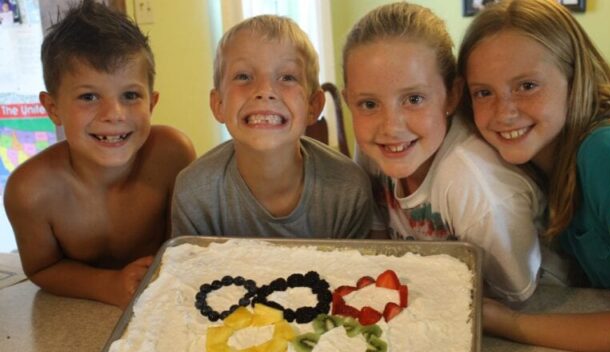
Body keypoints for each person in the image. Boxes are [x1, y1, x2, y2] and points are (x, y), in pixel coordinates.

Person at [341, 2, 557, 304]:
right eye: (368, 104)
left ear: (453, 95)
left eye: (414, 98)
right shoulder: (374, 150)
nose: (390, 127)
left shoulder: (473, 186)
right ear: (348, 101)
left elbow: (516, 300)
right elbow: (380, 247)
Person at [458, 0, 610, 352]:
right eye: (484, 92)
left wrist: (509, 323)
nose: (504, 112)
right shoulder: (537, 167)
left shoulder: (607, 152)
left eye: (527, 86)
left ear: (575, 81)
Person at [3, 0, 195, 309]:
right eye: (89, 96)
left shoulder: (171, 154)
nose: (113, 114)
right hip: (77, 318)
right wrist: (109, 285)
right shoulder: (30, 191)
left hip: (167, 306)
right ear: (53, 108)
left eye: (130, 95)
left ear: (152, 103)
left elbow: (187, 243)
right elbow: (41, 268)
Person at [171, 15, 374, 239]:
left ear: (313, 106)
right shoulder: (195, 194)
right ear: (218, 104)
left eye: (287, 77)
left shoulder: (349, 190)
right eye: (244, 76)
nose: (265, 90)